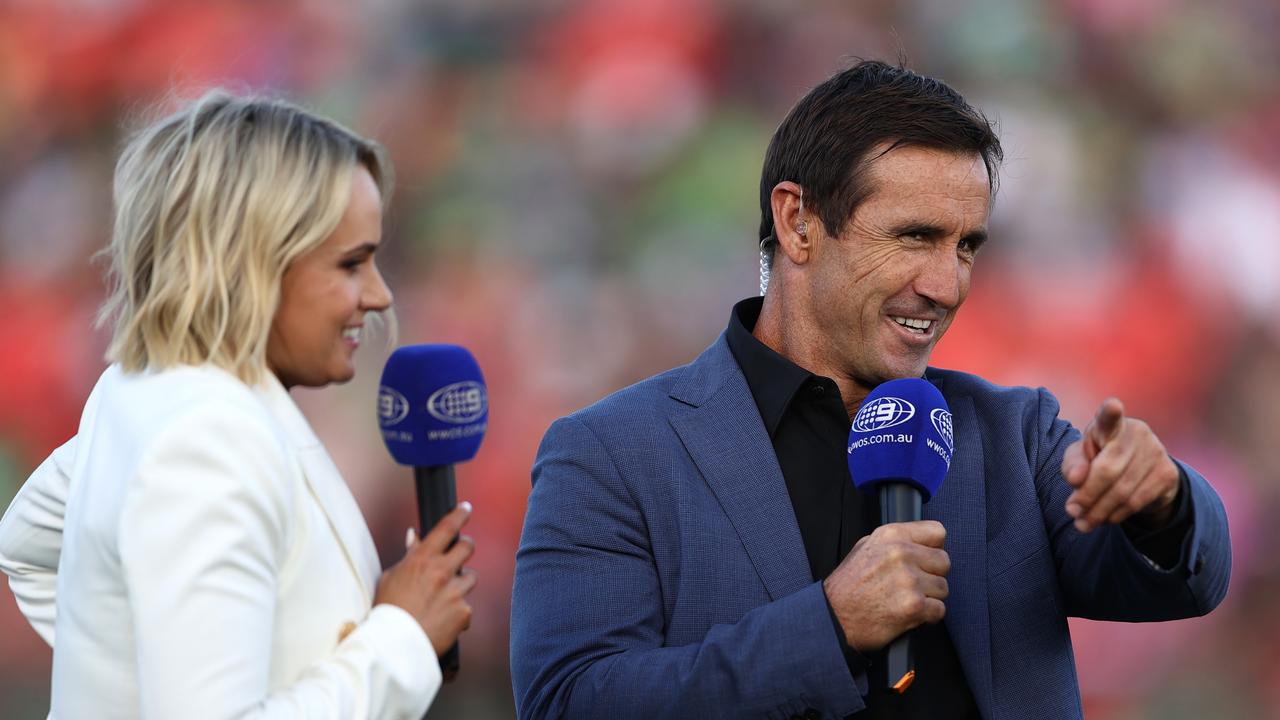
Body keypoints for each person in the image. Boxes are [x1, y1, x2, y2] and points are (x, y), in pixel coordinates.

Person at [509, 60, 1231, 719]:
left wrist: (1160, 502)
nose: (947, 286)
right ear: (798, 222)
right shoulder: (612, 454)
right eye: (915, 237)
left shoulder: (1017, 436)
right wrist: (826, 628)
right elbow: (571, 703)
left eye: (967, 246)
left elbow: (1183, 583)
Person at [0, 91, 477, 718]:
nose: (380, 296)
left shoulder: (149, 391)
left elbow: (26, 544)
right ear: (255, 263)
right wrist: (401, 639)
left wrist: (137, 671)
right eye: (352, 263)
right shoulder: (209, 434)